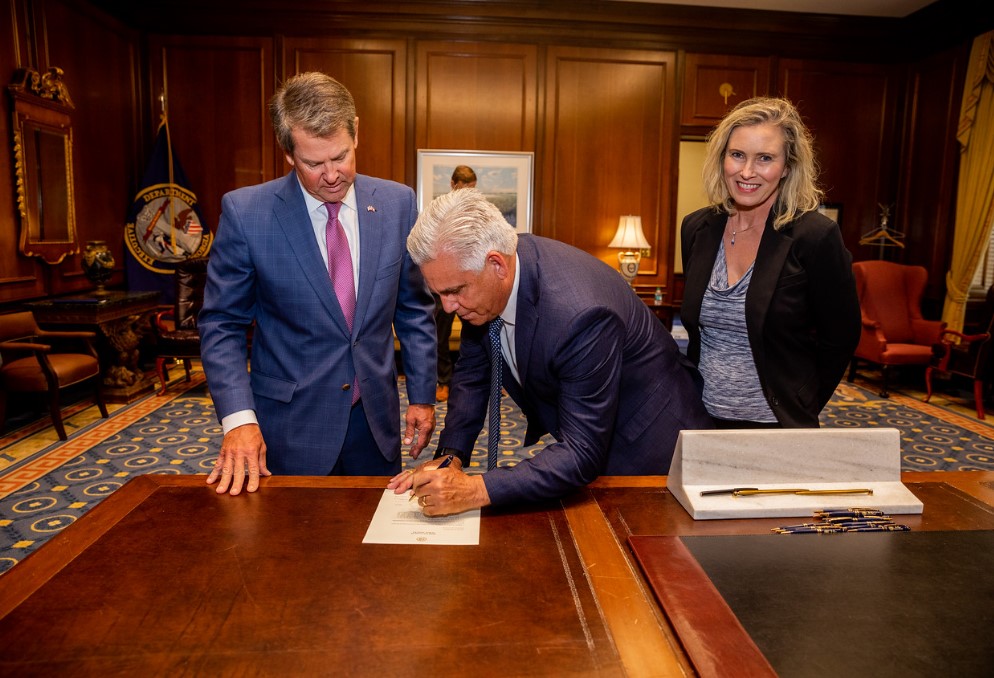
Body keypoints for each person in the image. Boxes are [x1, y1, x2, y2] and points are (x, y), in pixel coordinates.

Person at [388, 188, 713, 515]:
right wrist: (451, 456)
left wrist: (476, 488)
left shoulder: (580, 315)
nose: (447, 307)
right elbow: (472, 375)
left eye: (455, 291)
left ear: (496, 265)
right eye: (439, 293)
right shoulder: (485, 283)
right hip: (591, 437)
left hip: (653, 455)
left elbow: (581, 453)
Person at [199, 71, 437, 495]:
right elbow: (221, 325)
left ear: (356, 132)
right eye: (313, 163)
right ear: (288, 153)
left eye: (341, 156)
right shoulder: (246, 213)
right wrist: (239, 419)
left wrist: (421, 396)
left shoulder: (398, 203)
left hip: (375, 425)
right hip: (288, 429)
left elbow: (413, 308)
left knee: (378, 549)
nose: (332, 175)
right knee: (292, 551)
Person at [680, 96, 860, 429]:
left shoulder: (816, 236)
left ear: (787, 166)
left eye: (765, 158)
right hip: (699, 419)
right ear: (722, 158)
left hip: (775, 425)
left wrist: (803, 401)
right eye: (737, 155)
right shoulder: (696, 228)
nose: (747, 172)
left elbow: (841, 336)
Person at [434, 164, 478, 402]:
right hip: (444, 285)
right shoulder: (439, 211)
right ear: (453, 185)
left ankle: (484, 380)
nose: (468, 194)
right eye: (464, 188)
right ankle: (444, 381)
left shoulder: (479, 212)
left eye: (472, 189)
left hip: (471, 282)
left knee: (480, 331)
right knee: (440, 335)